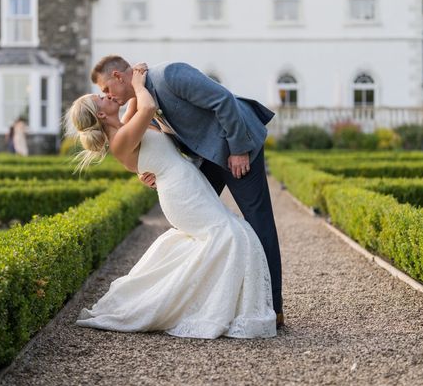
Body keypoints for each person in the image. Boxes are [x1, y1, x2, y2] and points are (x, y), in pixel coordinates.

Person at [66, 65, 276, 339]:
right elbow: (148, 108)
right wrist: (139, 85)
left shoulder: (124, 126)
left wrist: (133, 77)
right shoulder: (119, 140)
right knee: (232, 236)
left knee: (224, 238)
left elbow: (137, 110)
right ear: (102, 114)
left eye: (105, 91)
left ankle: (211, 300)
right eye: (102, 97)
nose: (107, 96)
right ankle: (216, 306)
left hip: (188, 185)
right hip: (181, 194)